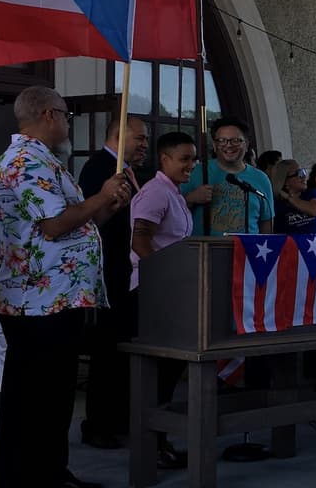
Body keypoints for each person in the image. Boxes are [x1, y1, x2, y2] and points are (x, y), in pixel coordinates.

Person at [0, 86, 130, 488]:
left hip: (56, 297)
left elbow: (72, 228)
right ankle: (24, 476)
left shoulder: (46, 160)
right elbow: (53, 225)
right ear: (49, 114)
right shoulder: (24, 159)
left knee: (53, 397)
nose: (69, 123)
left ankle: (49, 471)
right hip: (35, 301)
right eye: (66, 115)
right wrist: (99, 196)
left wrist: (106, 207)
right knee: (34, 398)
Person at [76, 117, 149, 450]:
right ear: (118, 136)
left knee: (122, 349)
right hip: (108, 271)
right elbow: (91, 218)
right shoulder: (99, 168)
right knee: (107, 351)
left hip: (127, 272)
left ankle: (119, 416)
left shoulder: (129, 171)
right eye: (139, 138)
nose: (144, 144)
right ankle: (98, 423)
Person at [129, 131, 197, 470]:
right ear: (164, 159)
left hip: (173, 288)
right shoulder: (155, 192)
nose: (191, 165)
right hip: (155, 290)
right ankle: (152, 444)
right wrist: (162, 279)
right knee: (160, 373)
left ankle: (159, 442)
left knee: (170, 373)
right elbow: (139, 238)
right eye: (184, 158)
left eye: (194, 158)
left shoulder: (174, 193)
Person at [181, 117, 274, 235]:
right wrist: (190, 199)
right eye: (221, 140)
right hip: (204, 251)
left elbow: (266, 223)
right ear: (214, 145)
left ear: (246, 144)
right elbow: (171, 214)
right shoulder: (195, 172)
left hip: (246, 251)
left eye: (235, 140)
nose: (228, 145)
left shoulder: (261, 179)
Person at [270, 159, 316, 234]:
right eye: (299, 173)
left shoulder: (312, 193)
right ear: (285, 181)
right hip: (289, 245)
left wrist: (289, 197)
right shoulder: (275, 203)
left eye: (303, 171)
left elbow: (315, 210)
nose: (304, 176)